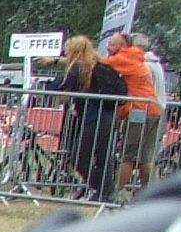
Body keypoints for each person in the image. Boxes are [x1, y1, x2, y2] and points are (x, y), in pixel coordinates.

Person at [50, 33, 127, 201]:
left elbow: (59, 86)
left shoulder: (78, 68)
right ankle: (105, 193)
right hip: (110, 116)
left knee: (79, 157)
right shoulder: (98, 65)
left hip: (94, 118)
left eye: (68, 51)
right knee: (103, 157)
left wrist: (52, 81)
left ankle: (103, 190)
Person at [104, 29, 160, 189]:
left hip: (139, 111)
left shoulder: (123, 58)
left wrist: (58, 61)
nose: (108, 47)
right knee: (144, 158)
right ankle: (149, 194)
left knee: (128, 156)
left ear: (121, 46)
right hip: (153, 110)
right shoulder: (136, 57)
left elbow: (93, 63)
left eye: (111, 44)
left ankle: (115, 193)